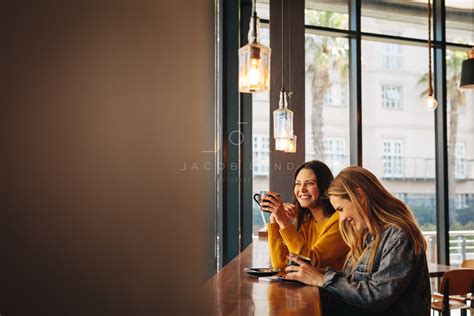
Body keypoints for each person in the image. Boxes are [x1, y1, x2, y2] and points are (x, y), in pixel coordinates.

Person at [284, 166, 431, 315]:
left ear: (359, 196)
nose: (342, 219)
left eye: (341, 209)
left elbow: (377, 296)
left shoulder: (399, 236)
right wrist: (314, 275)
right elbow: (352, 282)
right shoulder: (369, 235)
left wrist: (322, 279)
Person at [260, 160, 349, 270]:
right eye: (298, 183)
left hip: (329, 286)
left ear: (324, 187)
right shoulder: (307, 220)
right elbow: (281, 264)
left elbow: (311, 262)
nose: (301, 189)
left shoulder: (340, 220)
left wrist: (284, 222)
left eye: (309, 183)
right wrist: (274, 220)